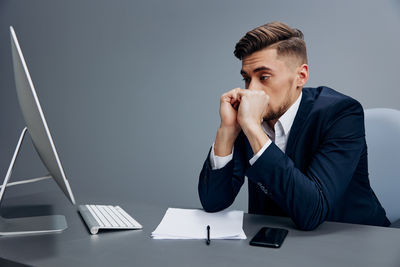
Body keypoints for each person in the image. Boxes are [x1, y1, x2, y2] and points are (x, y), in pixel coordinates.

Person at [198, 21, 390, 231]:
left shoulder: (341, 114)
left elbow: (312, 212)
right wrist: (227, 130)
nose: (251, 90)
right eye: (246, 78)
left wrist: (253, 129)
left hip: (354, 241)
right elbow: (213, 202)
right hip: (278, 244)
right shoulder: (247, 118)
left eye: (264, 77)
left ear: (301, 76)